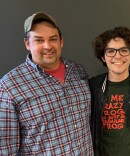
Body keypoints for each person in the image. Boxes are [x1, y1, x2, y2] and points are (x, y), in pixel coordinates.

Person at [0, 12, 93, 155]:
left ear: (61, 41)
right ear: (27, 44)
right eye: (39, 40)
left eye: (53, 39)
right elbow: (5, 148)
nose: (47, 46)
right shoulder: (10, 86)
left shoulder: (77, 71)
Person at [89, 26, 130, 156]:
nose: (117, 56)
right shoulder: (93, 86)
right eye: (111, 51)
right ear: (103, 57)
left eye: (123, 50)